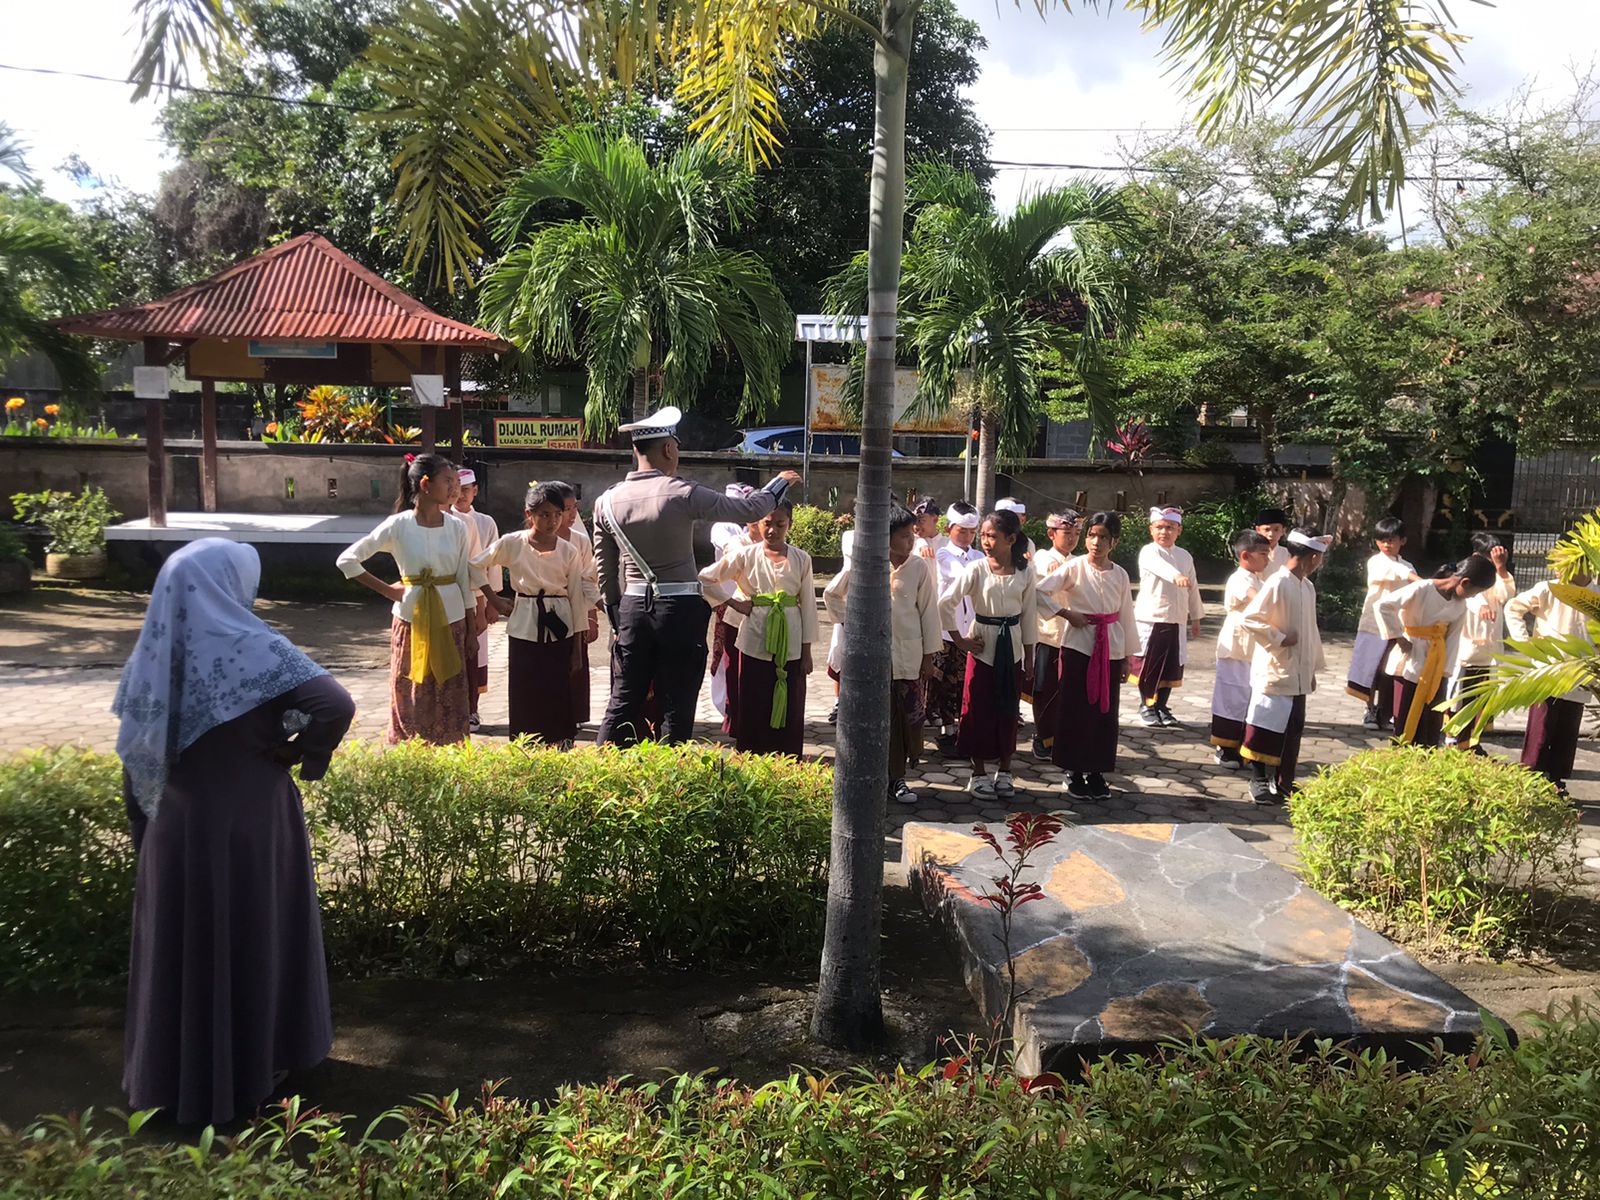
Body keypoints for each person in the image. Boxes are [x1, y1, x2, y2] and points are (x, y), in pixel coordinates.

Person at [115, 539, 355, 1126]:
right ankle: (255, 1064)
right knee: (254, 934)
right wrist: (298, 752)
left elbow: (134, 753)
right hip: (250, 819)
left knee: (184, 944)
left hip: (174, 824)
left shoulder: (153, 651)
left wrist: (144, 834)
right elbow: (335, 703)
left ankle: (179, 1076)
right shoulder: (255, 645)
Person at [593, 407, 798, 746]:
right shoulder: (682, 492)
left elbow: (606, 570)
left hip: (631, 608)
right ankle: (670, 780)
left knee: (624, 699)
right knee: (677, 702)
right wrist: (781, 483)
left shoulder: (606, 501)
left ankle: (603, 774)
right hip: (679, 609)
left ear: (635, 451)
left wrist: (617, 617)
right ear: (670, 449)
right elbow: (749, 510)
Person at [338, 453, 480, 744]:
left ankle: (449, 746)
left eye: (456, 482)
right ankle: (411, 746)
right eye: (448, 481)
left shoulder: (457, 527)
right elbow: (348, 560)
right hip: (411, 617)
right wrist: (387, 590)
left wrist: (471, 628)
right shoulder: (399, 525)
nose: (455, 488)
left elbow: (464, 579)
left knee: (450, 684)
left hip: (452, 618)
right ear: (426, 484)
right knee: (412, 683)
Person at [823, 505, 942, 802]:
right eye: (903, 536)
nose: (909, 542)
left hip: (907, 657)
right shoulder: (864, 564)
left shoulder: (918, 568)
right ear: (885, 537)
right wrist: (852, 622)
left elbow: (929, 613)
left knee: (904, 721)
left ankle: (897, 779)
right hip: (871, 660)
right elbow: (831, 595)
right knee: (872, 720)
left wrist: (929, 657)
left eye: (910, 535)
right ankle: (868, 778)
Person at [474, 483, 589, 745]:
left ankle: (559, 741)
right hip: (524, 621)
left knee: (557, 685)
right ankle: (526, 743)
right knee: (525, 685)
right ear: (529, 514)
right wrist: (492, 598)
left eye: (557, 514)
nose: (552, 521)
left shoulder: (569, 550)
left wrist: (577, 648)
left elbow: (576, 599)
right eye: (544, 514)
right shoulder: (512, 543)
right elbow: (474, 566)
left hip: (559, 623)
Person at [700, 501, 818, 756]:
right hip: (754, 637)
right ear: (757, 523)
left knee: (791, 699)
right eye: (767, 523)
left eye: (780, 524)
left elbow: (808, 605)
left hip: (792, 638)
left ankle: (786, 757)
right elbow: (706, 578)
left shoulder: (801, 558)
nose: (773, 530)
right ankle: (753, 757)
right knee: (753, 696)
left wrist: (806, 651)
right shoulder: (746, 555)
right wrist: (733, 601)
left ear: (790, 525)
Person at [1040, 511, 1136, 802]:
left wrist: (1126, 657)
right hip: (1079, 647)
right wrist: (1067, 613)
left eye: (1103, 537)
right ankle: (1073, 770)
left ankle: (1096, 770)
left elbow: (1127, 617)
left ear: (1114, 541)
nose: (1095, 542)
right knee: (1076, 708)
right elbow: (1038, 593)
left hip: (1109, 648)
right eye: (1092, 535)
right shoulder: (1074, 567)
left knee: (1104, 713)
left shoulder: (1120, 574)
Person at [940, 508, 1036, 798]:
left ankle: (1005, 770)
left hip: (1013, 649)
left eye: (992, 535)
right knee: (977, 709)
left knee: (1008, 710)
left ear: (1011, 538)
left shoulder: (1025, 572)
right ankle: (978, 772)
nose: (985, 541)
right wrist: (960, 640)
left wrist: (1029, 656)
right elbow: (946, 602)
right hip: (982, 648)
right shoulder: (977, 569)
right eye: (982, 535)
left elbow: (1029, 615)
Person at [1238, 527, 1330, 804]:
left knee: (1292, 728)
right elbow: (1250, 619)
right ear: (1313, 557)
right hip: (1276, 669)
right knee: (1266, 724)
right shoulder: (1278, 582)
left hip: (1298, 672)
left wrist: (1311, 668)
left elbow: (1311, 631)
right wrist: (1280, 638)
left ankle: (1284, 781)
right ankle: (1258, 780)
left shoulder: (1307, 586)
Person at [1375, 555, 1497, 747]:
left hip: (1437, 665)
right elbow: (1383, 606)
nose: (1473, 597)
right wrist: (1399, 637)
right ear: (1464, 582)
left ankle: (1425, 759)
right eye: (1475, 592)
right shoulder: (1422, 588)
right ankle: (1400, 755)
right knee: (1406, 715)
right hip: (1410, 658)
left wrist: (1445, 673)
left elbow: (1453, 638)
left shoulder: (1460, 605)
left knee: (1431, 719)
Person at [1505, 568, 1599, 792]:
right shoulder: (1550, 588)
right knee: (1542, 724)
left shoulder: (1596, 593)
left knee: (1567, 728)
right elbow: (1513, 607)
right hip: (1548, 667)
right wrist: (1525, 643)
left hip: (1580, 671)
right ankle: (1531, 776)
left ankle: (1556, 779)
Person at [1131, 505, 1204, 727]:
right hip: (1153, 617)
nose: (1165, 532)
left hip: (1177, 618)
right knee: (1151, 664)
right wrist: (1176, 576)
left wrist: (1196, 616)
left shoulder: (1184, 556)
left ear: (1179, 530)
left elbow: (1193, 587)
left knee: (1172, 664)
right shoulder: (1149, 552)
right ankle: (1147, 705)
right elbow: (1160, 567)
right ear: (1151, 529)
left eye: (1170, 527)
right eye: (1160, 527)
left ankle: (1162, 706)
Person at [1445, 534, 1517, 751]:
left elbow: (1507, 594)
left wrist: (1501, 568)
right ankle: (1451, 738)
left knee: (1481, 695)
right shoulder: (1465, 571)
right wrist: (1480, 606)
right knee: (1459, 694)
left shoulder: (1496, 575)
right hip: (1468, 645)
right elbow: (1464, 595)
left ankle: (1471, 741)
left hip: (1490, 646)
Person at [1346, 516, 1417, 730]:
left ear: (1402, 541)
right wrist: (1423, 582)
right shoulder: (1376, 561)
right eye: (1382, 540)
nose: (1386, 545)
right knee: (1372, 670)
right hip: (1375, 624)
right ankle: (1370, 710)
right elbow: (1396, 572)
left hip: (1399, 624)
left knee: (1392, 670)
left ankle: (1388, 711)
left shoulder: (1408, 565)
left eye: (1392, 540)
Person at [1210, 529, 1273, 767]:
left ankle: (1242, 744)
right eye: (1263, 554)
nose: (1267, 559)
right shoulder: (1240, 579)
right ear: (1245, 555)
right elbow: (1258, 599)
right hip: (1236, 644)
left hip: (1255, 645)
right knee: (1232, 694)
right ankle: (1225, 746)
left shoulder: (1259, 578)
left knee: (1249, 695)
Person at [544, 480, 602, 728]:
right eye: (566, 509)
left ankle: (573, 715)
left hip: (575, 608)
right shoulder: (535, 540)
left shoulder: (580, 540)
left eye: (574, 508)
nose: (572, 514)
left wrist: (592, 615)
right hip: (545, 610)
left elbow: (591, 578)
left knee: (576, 660)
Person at [931, 502, 984, 756]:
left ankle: (965, 727)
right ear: (948, 529)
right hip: (946, 631)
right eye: (962, 531)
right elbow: (964, 576)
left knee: (965, 681)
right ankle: (946, 729)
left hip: (972, 628)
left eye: (972, 532)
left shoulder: (978, 556)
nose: (967, 537)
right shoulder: (943, 554)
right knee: (944, 682)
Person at [1027, 509, 1082, 759]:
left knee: (1067, 691)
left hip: (1072, 636)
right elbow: (1037, 591)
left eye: (1076, 534)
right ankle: (1043, 736)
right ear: (1051, 534)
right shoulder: (1041, 558)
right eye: (1067, 533)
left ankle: (1061, 735)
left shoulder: (1078, 562)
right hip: (1047, 634)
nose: (1072, 539)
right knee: (1045, 688)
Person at [453, 468, 500, 732]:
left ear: (475, 491)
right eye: (457, 489)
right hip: (450, 596)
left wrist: (490, 602)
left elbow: (489, 564)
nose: (461, 495)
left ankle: (473, 708)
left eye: (466, 489)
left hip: (475, 596)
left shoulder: (483, 522)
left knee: (476, 655)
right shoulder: (447, 518)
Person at [708, 483, 758, 722]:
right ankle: (727, 705)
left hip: (757, 605)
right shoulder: (724, 526)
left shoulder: (752, 530)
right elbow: (731, 547)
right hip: (729, 602)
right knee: (727, 655)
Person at [1255, 506, 1291, 573]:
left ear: (1283, 530)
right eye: (1266, 529)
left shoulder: (1288, 554)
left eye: (1276, 529)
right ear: (1258, 530)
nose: (1271, 534)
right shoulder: (1253, 553)